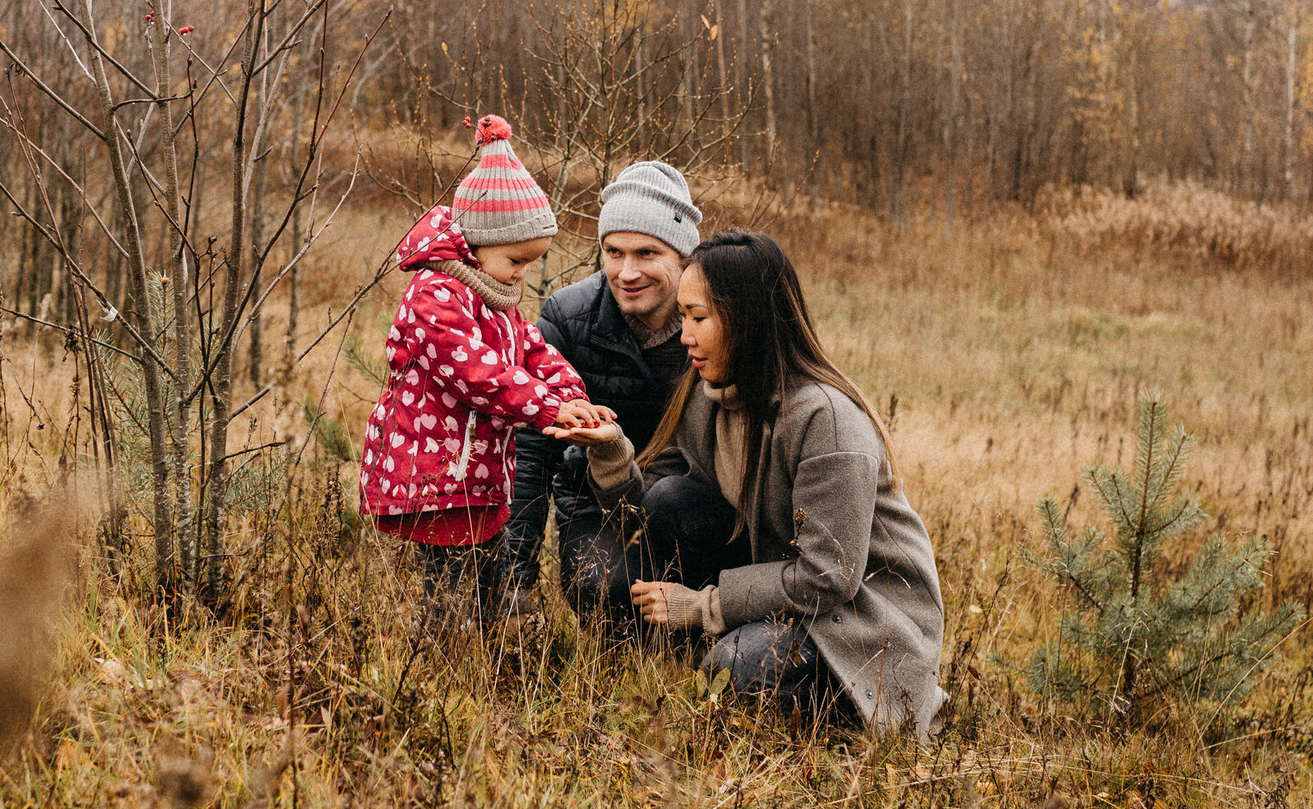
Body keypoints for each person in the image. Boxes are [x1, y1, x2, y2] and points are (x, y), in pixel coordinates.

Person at [586, 230, 946, 734]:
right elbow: (645, 512)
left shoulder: (826, 420)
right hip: (781, 591)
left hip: (858, 622)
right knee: (671, 498)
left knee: (732, 668)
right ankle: (707, 656)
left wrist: (703, 607)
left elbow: (828, 577)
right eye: (683, 316)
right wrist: (609, 450)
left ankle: (859, 708)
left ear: (746, 320)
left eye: (698, 318)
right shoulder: (706, 398)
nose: (684, 335)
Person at [356, 116, 614, 624]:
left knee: (489, 569)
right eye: (516, 260)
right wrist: (548, 407)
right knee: (452, 589)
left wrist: (571, 395)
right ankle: (448, 659)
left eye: (530, 263)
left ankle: (495, 641)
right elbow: (478, 373)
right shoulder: (434, 297)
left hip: (478, 471)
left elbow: (533, 350)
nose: (522, 274)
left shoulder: (492, 297)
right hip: (437, 474)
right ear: (476, 244)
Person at [501, 160, 718, 623]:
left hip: (696, 500)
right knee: (603, 589)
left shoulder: (718, 320)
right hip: (595, 502)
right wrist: (515, 583)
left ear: (683, 257)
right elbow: (531, 455)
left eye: (647, 253)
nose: (627, 272)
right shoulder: (568, 318)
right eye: (613, 252)